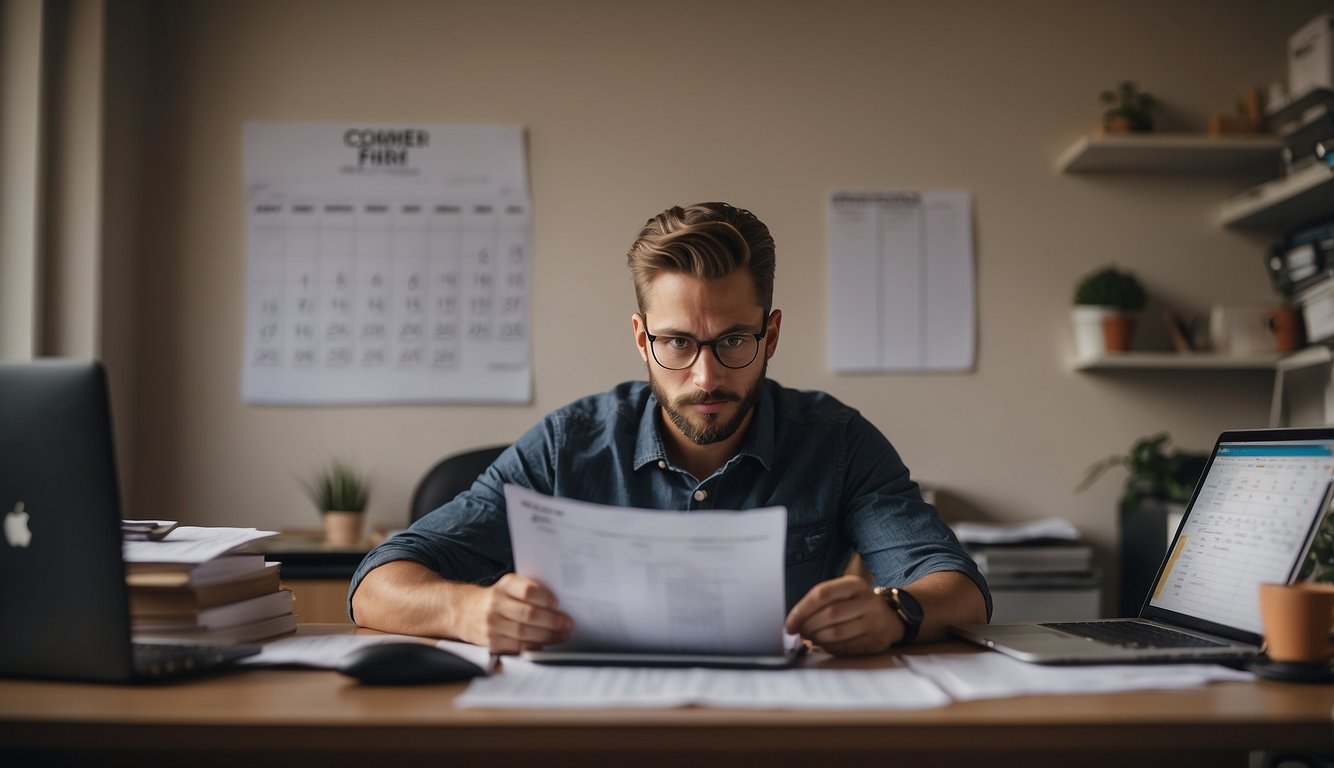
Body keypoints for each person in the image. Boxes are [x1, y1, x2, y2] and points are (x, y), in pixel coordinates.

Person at [349, 202, 990, 656]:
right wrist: (467, 610)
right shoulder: (565, 444)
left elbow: (958, 588)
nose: (705, 376)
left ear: (770, 334)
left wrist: (894, 613)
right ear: (641, 337)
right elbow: (377, 582)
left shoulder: (838, 440)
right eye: (677, 342)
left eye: (734, 340)